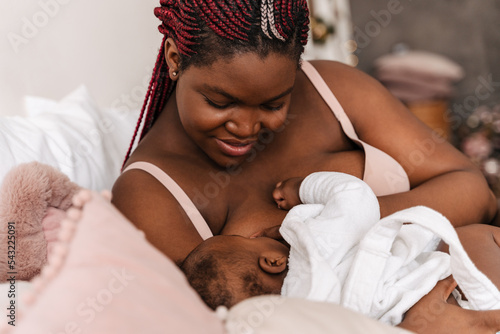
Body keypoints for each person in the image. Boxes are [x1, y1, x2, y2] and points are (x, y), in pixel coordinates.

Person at [111, 0, 500, 332]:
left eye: (273, 104)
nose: (245, 128)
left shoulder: (335, 90)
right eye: (219, 102)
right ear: (175, 59)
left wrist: (344, 221)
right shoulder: (151, 195)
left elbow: (472, 188)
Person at [181, 171, 500, 326]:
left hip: (430, 316)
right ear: (273, 261)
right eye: (246, 240)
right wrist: (300, 188)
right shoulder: (315, 247)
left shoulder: (305, 322)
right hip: (456, 290)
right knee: (478, 239)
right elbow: (354, 195)